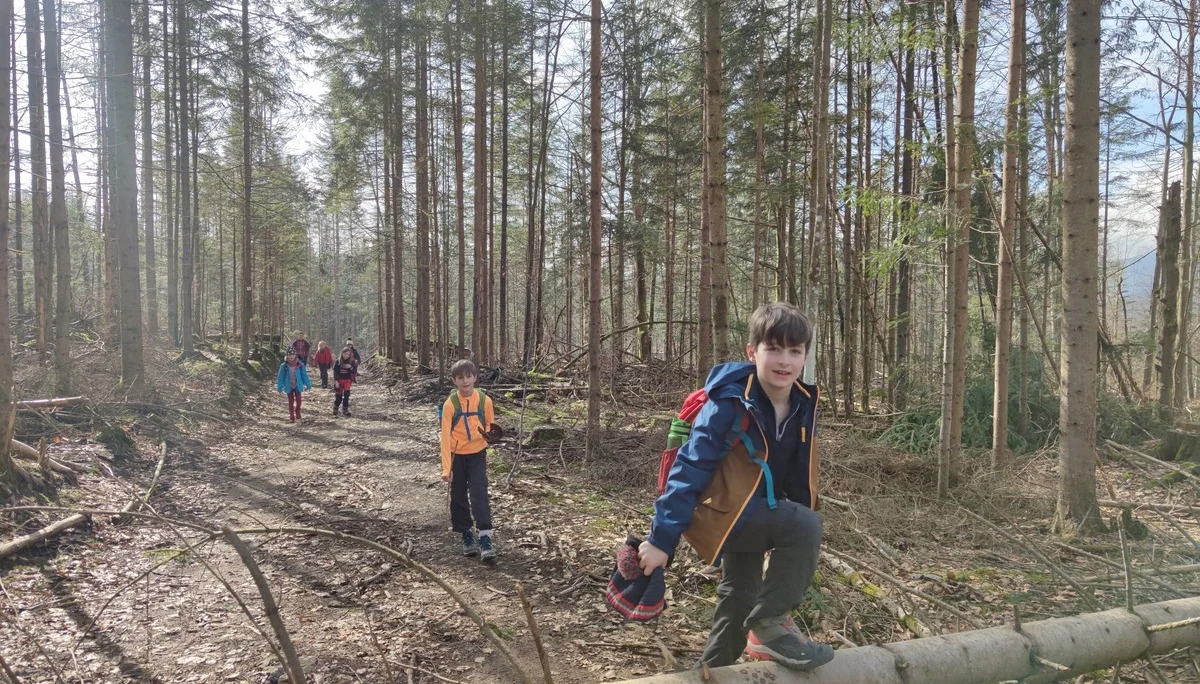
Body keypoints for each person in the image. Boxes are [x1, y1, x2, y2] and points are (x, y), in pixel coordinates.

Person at [638, 302, 834, 671]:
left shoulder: (803, 404)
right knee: (805, 524)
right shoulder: (729, 400)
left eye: (794, 351)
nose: (784, 361)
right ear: (752, 352)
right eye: (773, 348)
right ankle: (771, 625)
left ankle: (711, 673)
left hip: (754, 511)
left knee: (739, 597)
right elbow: (690, 466)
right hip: (720, 511)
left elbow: (795, 471)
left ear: (805, 356)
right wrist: (661, 539)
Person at [439, 359, 499, 562]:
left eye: (468, 376)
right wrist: (447, 468)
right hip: (456, 455)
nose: (465, 381)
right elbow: (445, 438)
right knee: (458, 496)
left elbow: (490, 427)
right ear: (454, 381)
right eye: (460, 377)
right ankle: (466, 534)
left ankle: (485, 536)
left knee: (479, 491)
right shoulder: (450, 405)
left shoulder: (485, 401)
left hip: (477, 454)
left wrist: (492, 436)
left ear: (475, 377)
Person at [275, 349, 312, 423]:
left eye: (293, 355)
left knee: (299, 402)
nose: (291, 356)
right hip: (289, 386)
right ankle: (292, 416)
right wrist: (279, 387)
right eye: (289, 355)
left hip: (298, 385)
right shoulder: (284, 366)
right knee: (290, 402)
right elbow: (280, 377)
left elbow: (304, 375)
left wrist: (308, 384)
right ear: (287, 356)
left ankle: (298, 412)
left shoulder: (300, 365)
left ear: (295, 355)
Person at [332, 347, 358, 417]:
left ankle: (345, 410)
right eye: (345, 354)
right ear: (342, 353)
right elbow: (335, 372)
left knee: (346, 396)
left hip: (347, 380)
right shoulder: (338, 361)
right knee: (339, 397)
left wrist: (350, 367)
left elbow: (354, 371)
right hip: (339, 380)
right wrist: (336, 381)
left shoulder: (352, 362)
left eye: (348, 354)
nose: (346, 355)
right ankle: (336, 407)